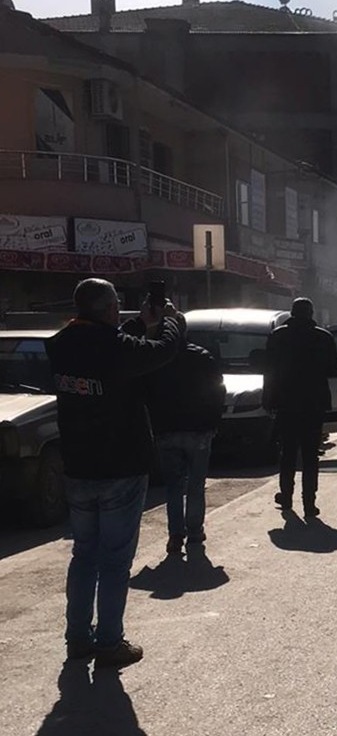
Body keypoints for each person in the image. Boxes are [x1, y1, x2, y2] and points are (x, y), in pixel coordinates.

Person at [45, 278, 182, 667]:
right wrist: (171, 323)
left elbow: (112, 344)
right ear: (108, 309)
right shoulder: (114, 348)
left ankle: (77, 638)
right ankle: (109, 642)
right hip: (120, 466)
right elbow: (162, 351)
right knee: (115, 560)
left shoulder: (62, 345)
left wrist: (140, 324)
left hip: (78, 467)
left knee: (84, 555)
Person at [144, 318, 225, 556]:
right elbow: (218, 391)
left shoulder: (157, 360)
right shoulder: (202, 356)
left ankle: (175, 535)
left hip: (167, 430)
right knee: (196, 485)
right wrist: (213, 422)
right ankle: (195, 531)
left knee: (173, 486)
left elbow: (147, 394)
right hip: (199, 431)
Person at [263, 297, 337, 518]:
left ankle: (286, 497)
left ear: (292, 313)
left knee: (287, 453)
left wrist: (267, 399)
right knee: (310, 456)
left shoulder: (278, 336)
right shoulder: (323, 337)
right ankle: (309, 503)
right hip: (314, 404)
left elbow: (269, 371)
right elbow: (334, 369)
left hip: (286, 403)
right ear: (311, 313)